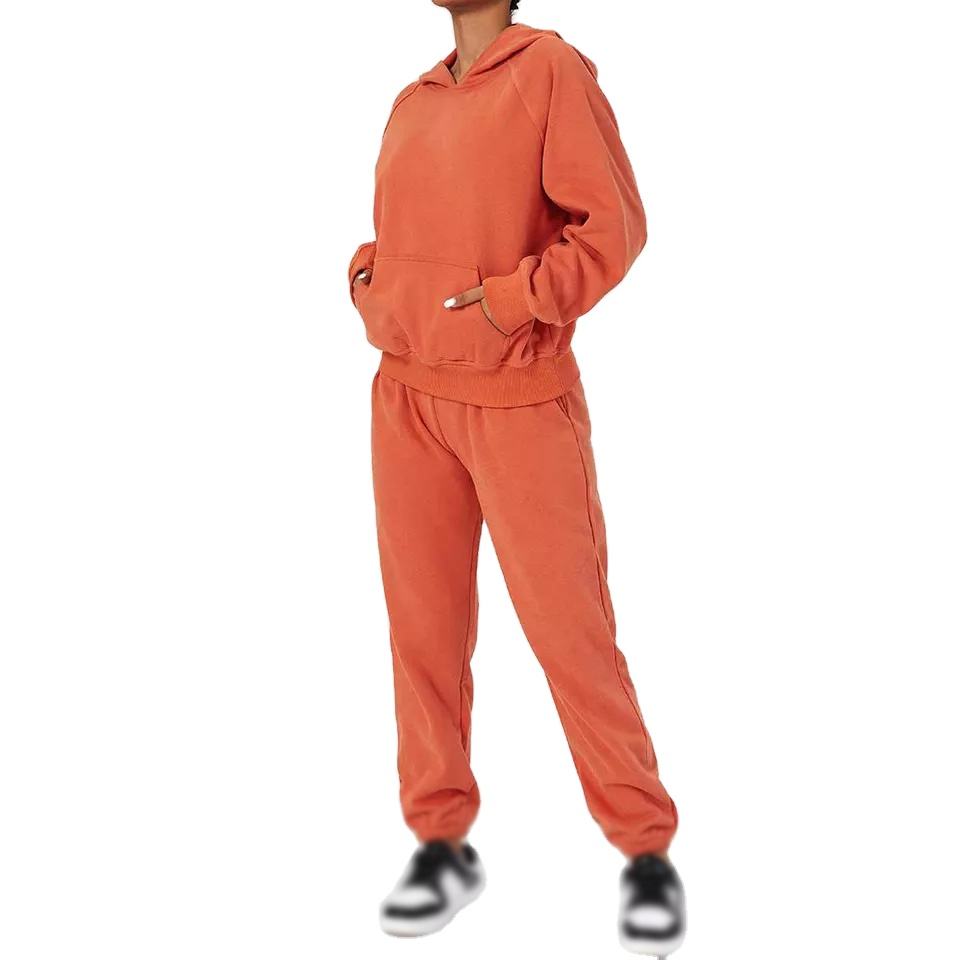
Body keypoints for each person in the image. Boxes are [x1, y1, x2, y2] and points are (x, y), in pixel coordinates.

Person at [348, 1, 685, 953]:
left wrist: (513, 302)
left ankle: (644, 848)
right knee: (422, 634)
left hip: (518, 399)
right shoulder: (415, 97)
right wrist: (368, 281)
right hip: (405, 396)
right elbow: (399, 231)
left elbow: (613, 228)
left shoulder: (551, 71)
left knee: (572, 633)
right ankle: (441, 842)